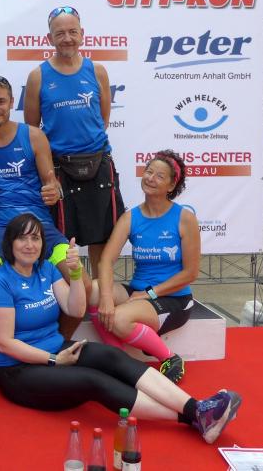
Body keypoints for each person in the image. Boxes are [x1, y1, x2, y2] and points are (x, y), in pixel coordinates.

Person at [0, 213, 241, 444]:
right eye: (22, 238)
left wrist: (75, 274)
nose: (29, 245)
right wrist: (53, 359)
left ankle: (197, 407)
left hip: (56, 349)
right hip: (18, 370)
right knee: (93, 380)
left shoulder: (47, 270)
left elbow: (75, 309)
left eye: (35, 238)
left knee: (112, 356)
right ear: (10, 243)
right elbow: (4, 343)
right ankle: (192, 417)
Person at [0, 75, 90, 387]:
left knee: (83, 286)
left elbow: (51, 183)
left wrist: (53, 191)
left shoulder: (33, 136)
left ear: (11, 103)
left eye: (1, 101)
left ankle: (57, 344)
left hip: (40, 226)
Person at [23, 5, 124, 273]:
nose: (67, 38)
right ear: (49, 38)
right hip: (59, 169)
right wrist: (49, 173)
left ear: (82, 34)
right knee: (62, 241)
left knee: (102, 238)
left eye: (72, 32)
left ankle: (99, 292)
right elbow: (33, 131)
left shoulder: (97, 71)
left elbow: (102, 119)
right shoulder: (38, 77)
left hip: (98, 164)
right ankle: (73, 293)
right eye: (60, 33)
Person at [90, 150, 196, 384]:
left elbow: (190, 273)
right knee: (94, 291)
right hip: (139, 292)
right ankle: (118, 360)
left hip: (174, 298)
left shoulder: (184, 218)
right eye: (149, 172)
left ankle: (169, 358)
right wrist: (106, 298)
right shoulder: (131, 217)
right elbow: (106, 261)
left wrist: (150, 294)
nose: (150, 178)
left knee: (119, 319)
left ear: (171, 185)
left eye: (159, 176)